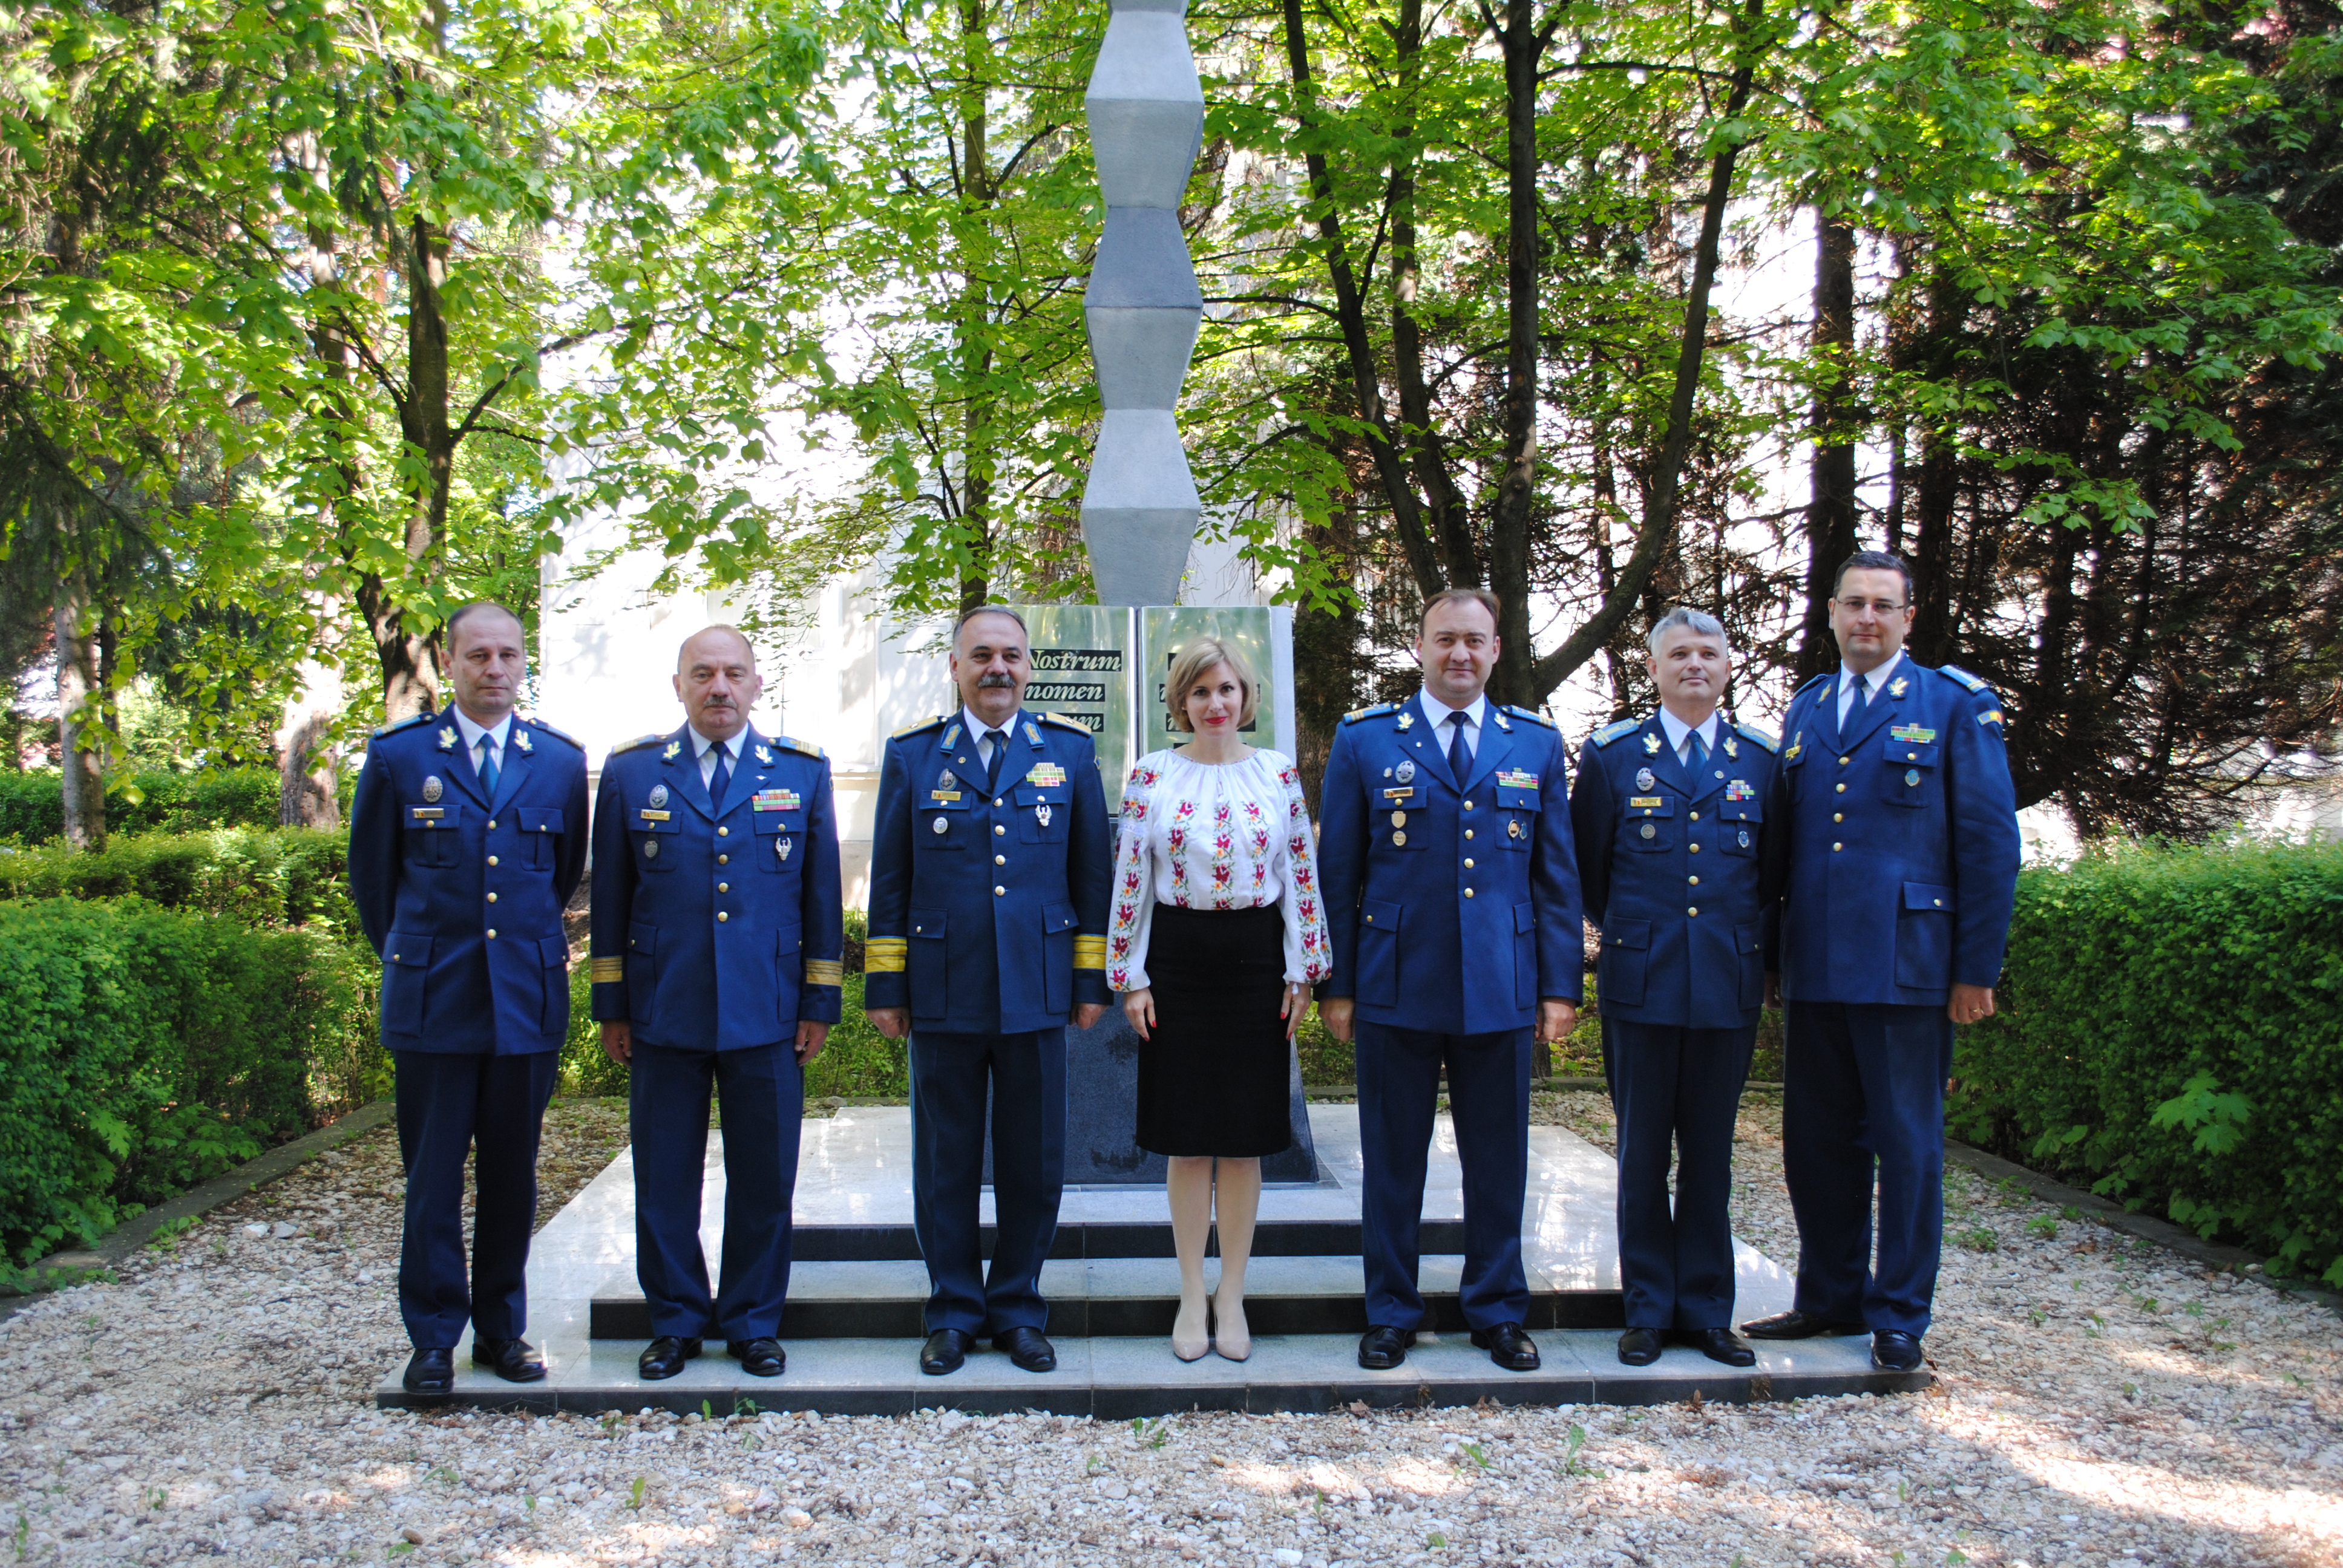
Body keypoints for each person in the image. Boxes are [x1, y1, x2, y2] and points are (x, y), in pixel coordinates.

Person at [1744, 550, 2020, 1372]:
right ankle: (1830, 1298)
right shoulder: (1809, 709)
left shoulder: (1952, 704)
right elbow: (1784, 848)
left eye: (1883, 606)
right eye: (1853, 604)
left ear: (1909, 617)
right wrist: (1768, 956)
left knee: (1906, 1145)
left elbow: (1989, 842)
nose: (1867, 618)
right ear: (1830, 613)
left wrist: (1977, 968)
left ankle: (1899, 1313)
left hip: (1909, 965)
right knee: (1816, 1142)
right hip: (1818, 965)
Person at [1316, 587, 1584, 1373]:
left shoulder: (1532, 743)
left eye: (1475, 640)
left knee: (1499, 1158)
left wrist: (1559, 987)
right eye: (1445, 640)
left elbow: (1556, 877)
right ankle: (1391, 1311)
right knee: (1391, 1158)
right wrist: (1337, 984)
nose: (1460, 654)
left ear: (1496, 650)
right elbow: (1340, 874)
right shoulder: (1367, 740)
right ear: (1421, 647)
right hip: (1397, 978)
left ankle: (1497, 1311)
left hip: (1501, 980)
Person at [863, 606, 1114, 1376]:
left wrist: (1088, 978)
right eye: (981, 656)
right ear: (955, 666)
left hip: (1037, 987)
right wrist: (886, 982)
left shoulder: (1067, 753)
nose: (996, 668)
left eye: (1010, 655)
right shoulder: (913, 756)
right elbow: (892, 879)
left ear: (1028, 666)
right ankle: (951, 1312)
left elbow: (1090, 876)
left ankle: (1016, 1309)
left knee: (1034, 1160)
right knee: (943, 1159)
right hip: (942, 989)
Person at [348, 601, 591, 1396]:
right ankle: (432, 1337)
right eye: (478, 655)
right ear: (448, 664)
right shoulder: (399, 758)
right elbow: (375, 885)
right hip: (435, 1004)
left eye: (508, 656)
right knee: (433, 1177)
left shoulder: (557, 762)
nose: (495, 670)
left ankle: (500, 1331)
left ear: (525, 665)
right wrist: (418, 957)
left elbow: (557, 879)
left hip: (523, 1002)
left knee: (514, 1176)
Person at [589, 625, 843, 1382]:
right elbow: (610, 896)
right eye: (702, 674)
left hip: (766, 1009)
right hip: (664, 1007)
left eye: (734, 673)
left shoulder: (799, 772)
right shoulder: (635, 774)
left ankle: (752, 1320)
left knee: (766, 1177)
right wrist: (612, 1004)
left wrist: (818, 1001)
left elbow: (819, 897)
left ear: (757, 684)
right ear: (679, 686)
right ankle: (673, 1320)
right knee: (664, 1174)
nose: (719, 688)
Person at [1570, 607, 1783, 1368]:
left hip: (1725, 984)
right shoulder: (1615, 756)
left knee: (1710, 1155)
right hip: (1642, 978)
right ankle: (1647, 1309)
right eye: (1679, 654)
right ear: (1653, 668)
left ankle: (1706, 1310)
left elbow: (1774, 876)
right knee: (1639, 1154)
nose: (1694, 664)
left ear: (1728, 666)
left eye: (1708, 653)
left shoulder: (1761, 760)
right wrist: (1634, 929)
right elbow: (1587, 871)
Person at [1108, 638, 1331, 1362]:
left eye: (1227, 689)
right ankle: (1188, 1292)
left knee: (1241, 1143)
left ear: (1246, 698)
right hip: (1176, 962)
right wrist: (1130, 976)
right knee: (1186, 1140)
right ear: (1180, 701)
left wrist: (1303, 971)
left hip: (1254, 963)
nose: (1215, 703)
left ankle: (1230, 1293)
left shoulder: (1276, 774)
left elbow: (1299, 874)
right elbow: (1130, 882)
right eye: (1200, 692)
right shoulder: (1150, 775)